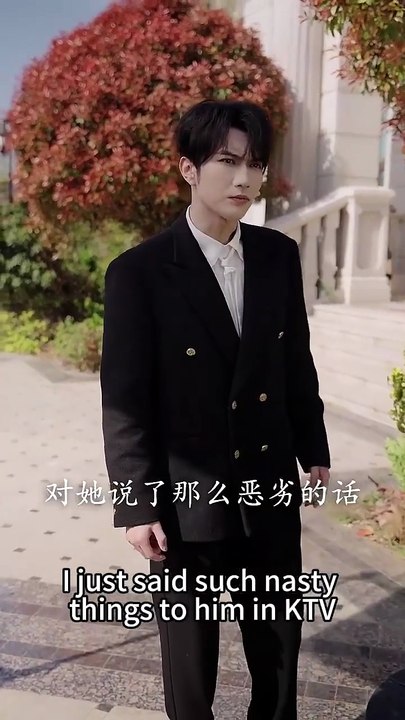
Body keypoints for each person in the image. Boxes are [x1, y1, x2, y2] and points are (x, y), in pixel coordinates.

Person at [100, 99, 331, 720]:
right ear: (189, 168)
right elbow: (125, 402)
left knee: (278, 652)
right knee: (190, 665)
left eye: (255, 165)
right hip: (187, 498)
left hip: (267, 486)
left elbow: (294, 362)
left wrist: (313, 447)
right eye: (227, 162)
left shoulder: (278, 256)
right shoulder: (139, 273)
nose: (243, 179)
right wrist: (137, 505)